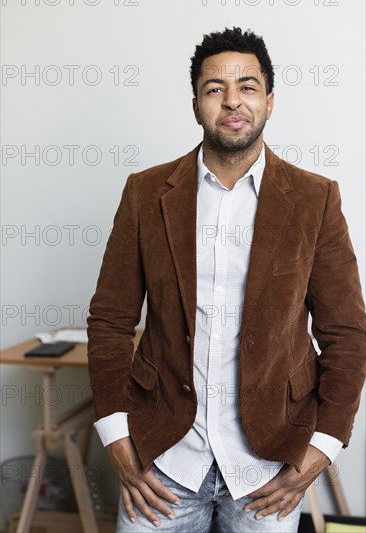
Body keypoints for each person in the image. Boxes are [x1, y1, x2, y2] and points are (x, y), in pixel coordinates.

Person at [87, 27, 366, 532]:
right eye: (215, 89)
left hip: (271, 464)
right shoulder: (145, 193)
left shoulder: (315, 198)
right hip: (163, 458)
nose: (232, 101)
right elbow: (109, 321)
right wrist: (117, 439)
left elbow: (346, 334)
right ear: (196, 105)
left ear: (270, 101)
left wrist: (321, 450)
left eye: (248, 86)